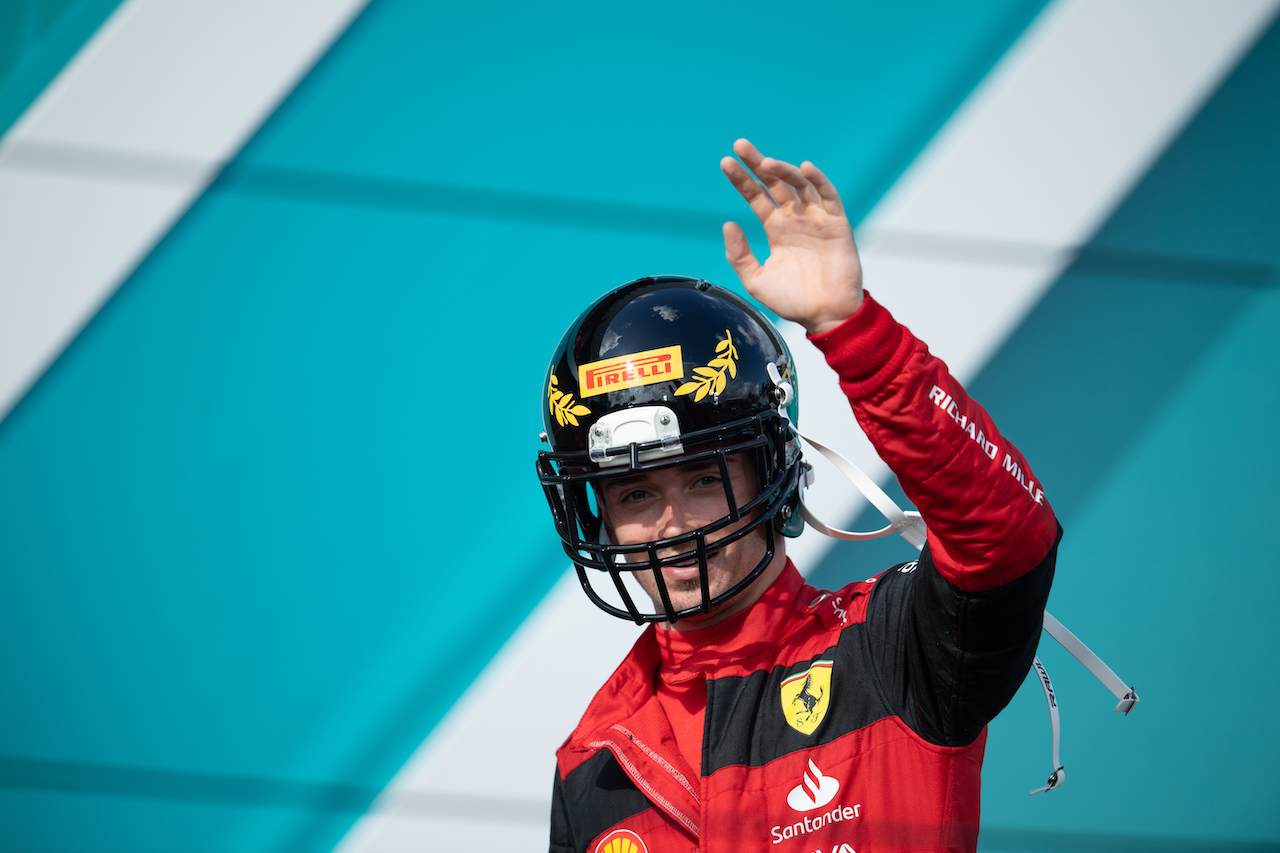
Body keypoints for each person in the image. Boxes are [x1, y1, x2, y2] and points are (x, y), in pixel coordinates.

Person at [537, 139, 1060, 853]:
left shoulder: (889, 647)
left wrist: (855, 332)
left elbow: (1007, 537)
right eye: (633, 494)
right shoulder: (591, 767)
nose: (672, 522)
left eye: (702, 479)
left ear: (772, 473)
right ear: (595, 516)